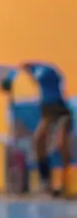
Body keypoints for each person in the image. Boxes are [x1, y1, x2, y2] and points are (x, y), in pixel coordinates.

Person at [23, 62, 72, 198]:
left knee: (61, 144)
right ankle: (46, 181)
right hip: (48, 113)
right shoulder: (35, 73)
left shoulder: (47, 72)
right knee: (38, 140)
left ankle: (63, 183)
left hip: (60, 112)